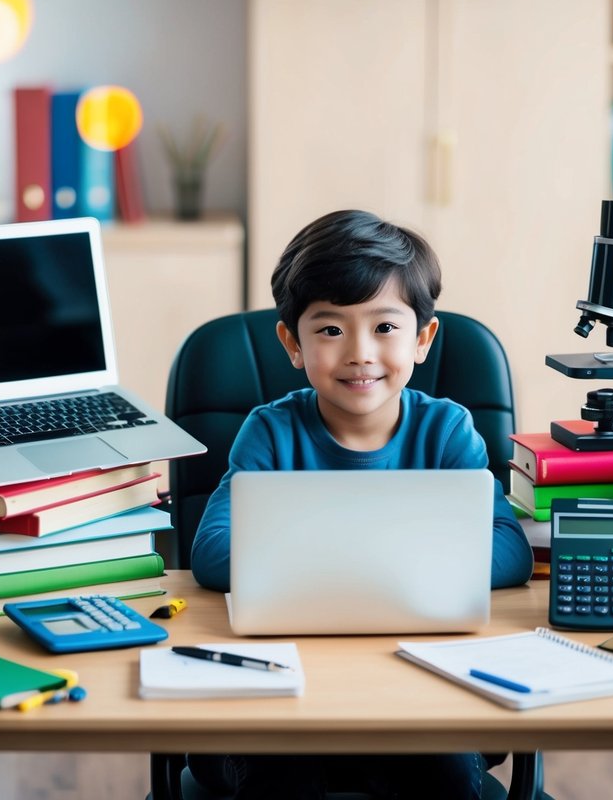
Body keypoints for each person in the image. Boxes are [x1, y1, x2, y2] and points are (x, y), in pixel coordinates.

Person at [188, 209, 532, 800]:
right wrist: (403, 565)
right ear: (292, 343)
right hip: (278, 691)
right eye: (329, 330)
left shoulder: (446, 431)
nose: (359, 352)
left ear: (423, 339)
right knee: (278, 778)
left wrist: (324, 561)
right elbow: (212, 554)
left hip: (418, 688)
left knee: (445, 776)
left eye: (385, 327)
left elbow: (510, 551)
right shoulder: (269, 433)